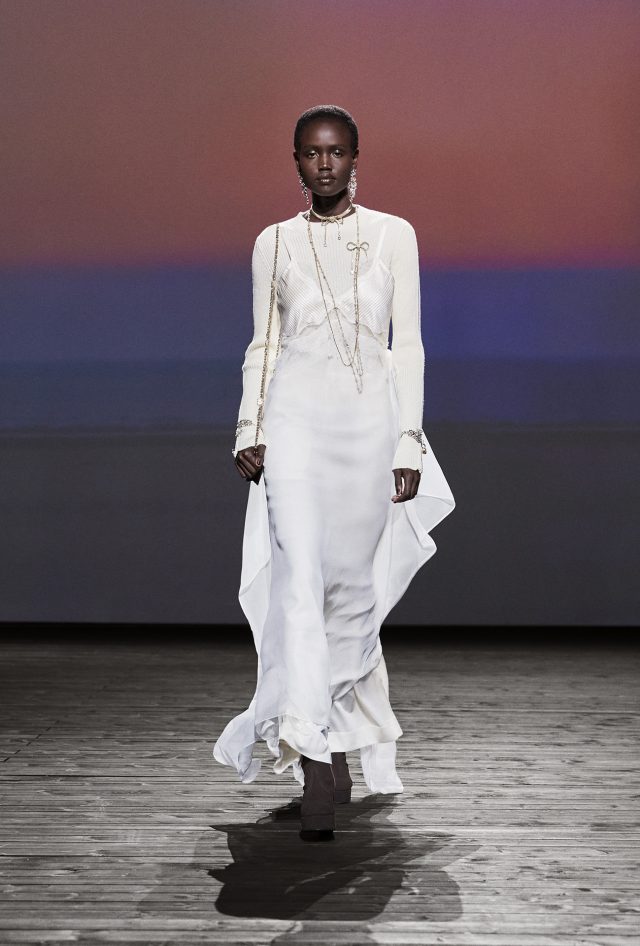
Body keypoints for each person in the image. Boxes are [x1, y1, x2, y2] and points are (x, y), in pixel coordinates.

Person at [213, 105, 455, 841]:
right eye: (312, 153)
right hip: (293, 425)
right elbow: (264, 343)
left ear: (355, 157)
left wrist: (409, 442)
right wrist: (249, 426)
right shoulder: (273, 242)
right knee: (299, 584)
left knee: (350, 592)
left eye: (337, 152)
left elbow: (407, 346)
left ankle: (338, 742)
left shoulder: (394, 234)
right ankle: (314, 761)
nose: (325, 164)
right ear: (295, 160)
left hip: (369, 428)